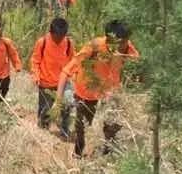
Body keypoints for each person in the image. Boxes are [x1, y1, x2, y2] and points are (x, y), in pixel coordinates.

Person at [58, 21, 138, 159]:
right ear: (107, 39)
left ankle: (106, 155)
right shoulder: (94, 47)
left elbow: (138, 70)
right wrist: (58, 100)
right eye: (115, 44)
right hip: (87, 89)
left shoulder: (129, 51)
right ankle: (78, 153)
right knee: (82, 126)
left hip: (111, 91)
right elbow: (66, 71)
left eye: (123, 43)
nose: (119, 47)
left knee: (112, 125)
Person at [30, 17, 75, 139]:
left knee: (68, 104)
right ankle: (43, 131)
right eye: (57, 36)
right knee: (46, 110)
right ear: (51, 32)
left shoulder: (69, 43)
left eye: (62, 36)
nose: (60, 39)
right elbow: (35, 60)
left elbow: (72, 61)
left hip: (64, 82)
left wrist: (73, 75)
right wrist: (36, 75)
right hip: (45, 82)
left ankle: (65, 130)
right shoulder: (42, 42)